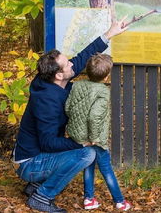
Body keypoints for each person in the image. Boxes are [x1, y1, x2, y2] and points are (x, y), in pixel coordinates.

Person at [12, 17, 128, 213]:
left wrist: (109, 33)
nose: (73, 66)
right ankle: (42, 196)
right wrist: (81, 143)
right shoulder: (47, 102)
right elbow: (48, 143)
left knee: (80, 152)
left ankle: (35, 186)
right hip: (29, 163)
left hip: (35, 156)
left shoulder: (52, 79)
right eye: (68, 64)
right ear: (58, 74)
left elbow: (82, 57)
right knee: (86, 154)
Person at [64, 53, 132, 211]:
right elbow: (94, 117)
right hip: (95, 139)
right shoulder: (102, 91)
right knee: (106, 168)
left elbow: (68, 108)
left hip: (78, 136)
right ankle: (120, 201)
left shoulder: (77, 85)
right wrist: (94, 138)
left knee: (88, 165)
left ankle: (88, 199)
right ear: (107, 76)